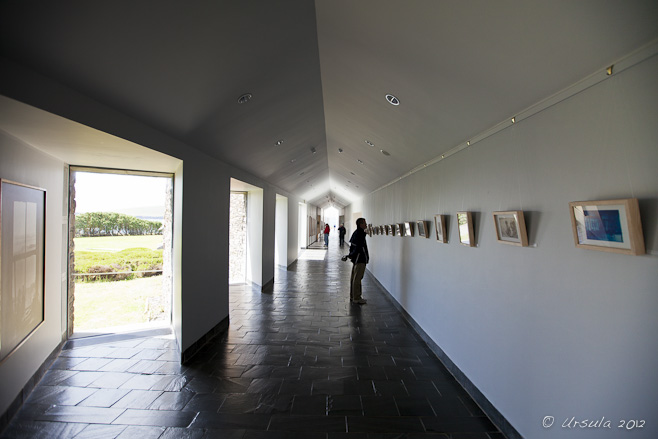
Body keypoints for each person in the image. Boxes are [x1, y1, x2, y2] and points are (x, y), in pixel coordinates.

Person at [341, 218, 369, 304]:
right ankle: (356, 298)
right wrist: (352, 255)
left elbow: (353, 247)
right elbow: (359, 248)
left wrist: (350, 255)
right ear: (360, 224)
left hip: (356, 259)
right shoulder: (360, 234)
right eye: (365, 223)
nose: (366, 225)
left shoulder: (356, 233)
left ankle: (353, 296)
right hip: (360, 260)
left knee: (354, 278)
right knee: (357, 279)